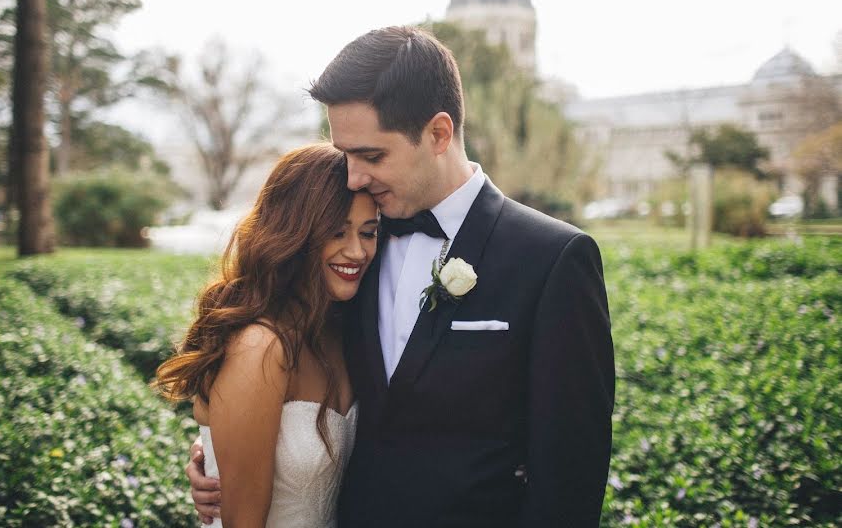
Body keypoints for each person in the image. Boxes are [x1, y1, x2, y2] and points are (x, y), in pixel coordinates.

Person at [189, 26, 615, 527]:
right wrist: (220, 455)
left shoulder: (554, 259)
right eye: (346, 153)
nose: (352, 177)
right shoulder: (348, 246)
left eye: (372, 156)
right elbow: (291, 375)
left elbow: (569, 482)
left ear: (438, 134)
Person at [154, 143, 379, 527]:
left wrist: (211, 450)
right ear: (296, 233)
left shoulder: (343, 332)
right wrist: (212, 453)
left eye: (368, 232)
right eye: (337, 232)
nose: (356, 251)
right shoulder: (261, 347)